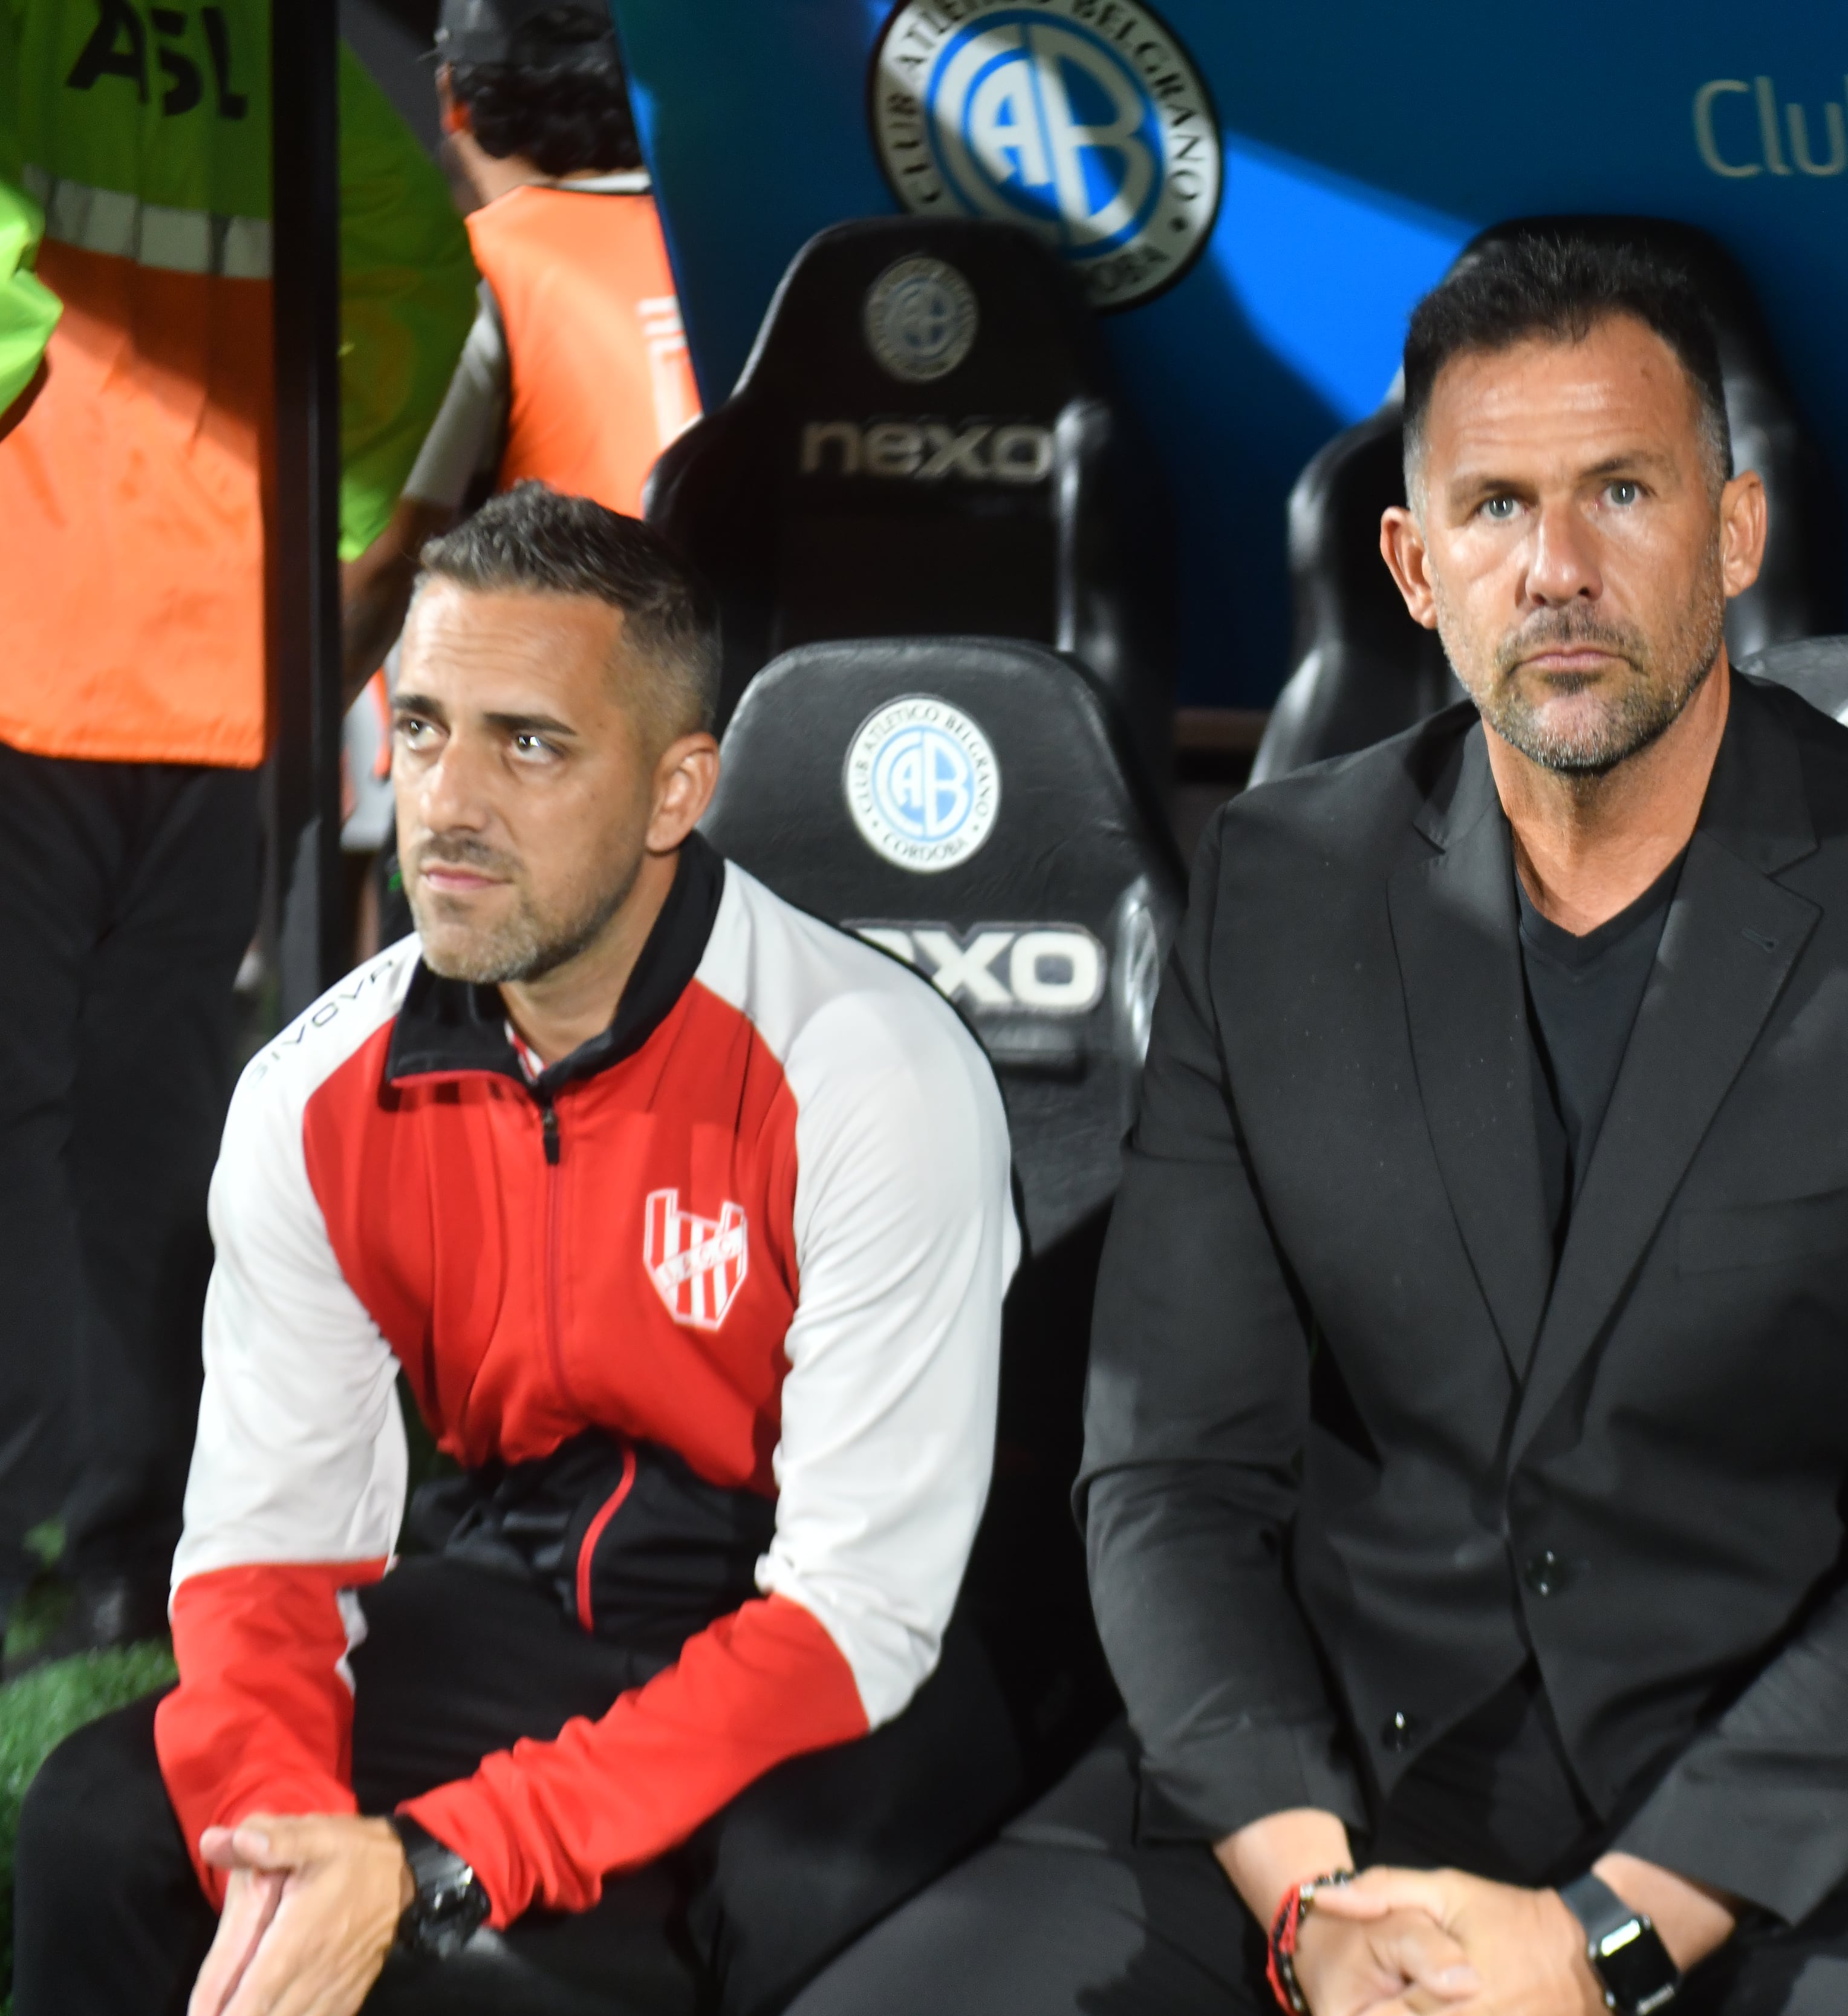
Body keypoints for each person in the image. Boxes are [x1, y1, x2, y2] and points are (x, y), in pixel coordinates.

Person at [799, 233, 1848, 2016]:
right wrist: (1314, 1902)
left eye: (1620, 491)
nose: (1561, 569)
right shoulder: (1266, 896)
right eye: (1497, 508)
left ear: (1733, 535)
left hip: (1830, 1837)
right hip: (1346, 1793)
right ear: (1413, 564)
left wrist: (1595, 1938)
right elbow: (1169, 1479)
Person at [13, 488, 1024, 2016]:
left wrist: (437, 1861)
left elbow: (859, 1615)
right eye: (420, 728)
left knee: (586, 1950)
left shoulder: (868, 1071)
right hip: (534, 1576)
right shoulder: (311, 1093)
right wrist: (285, 1848)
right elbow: (268, 1553)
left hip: (835, 1635)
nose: (446, 801)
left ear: (679, 790)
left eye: (528, 743)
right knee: (108, 1823)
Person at [0, 0, 477, 1667]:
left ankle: (21, 1550)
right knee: (154, 1124)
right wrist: (334, 535)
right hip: (223, 662)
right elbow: (420, 282)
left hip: (25, 636)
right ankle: (138, 1543)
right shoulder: (283, 50)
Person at [343, 0, 704, 693]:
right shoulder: (728, 252)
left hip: (573, 710)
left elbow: (385, 561)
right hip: (739, 694)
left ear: (454, 100)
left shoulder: (480, 267)